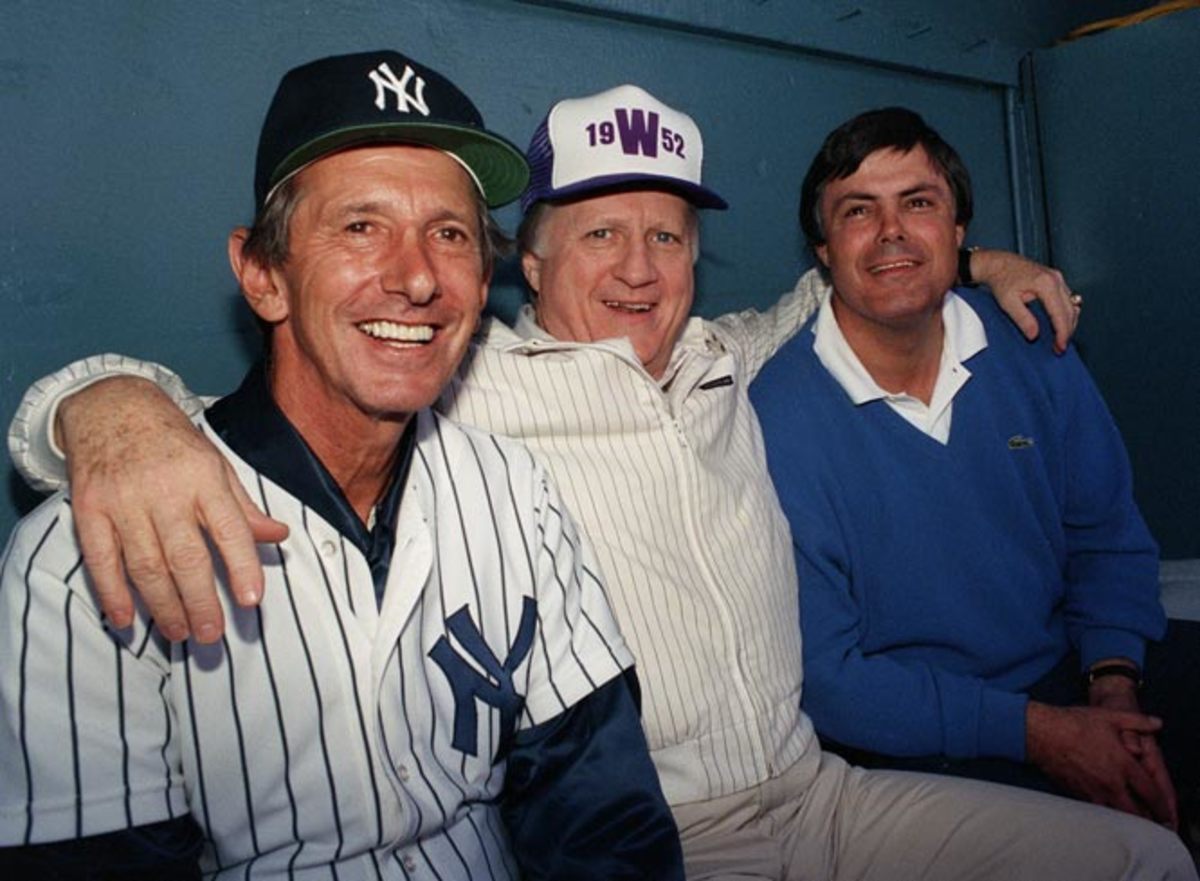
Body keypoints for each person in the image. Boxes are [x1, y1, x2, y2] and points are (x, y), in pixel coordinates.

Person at [9, 84, 1196, 879]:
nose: (639, 267)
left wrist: (976, 257)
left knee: (1146, 859)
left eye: (667, 235)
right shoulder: (467, 381)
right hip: (673, 836)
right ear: (526, 266)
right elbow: (290, 387)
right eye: (598, 234)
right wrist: (100, 405)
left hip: (825, 794)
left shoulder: (730, 354)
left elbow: (860, 273)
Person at [0, 51, 685, 880]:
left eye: (449, 233)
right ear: (263, 275)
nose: (417, 277)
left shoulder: (515, 488)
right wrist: (99, 401)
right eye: (361, 226)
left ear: (483, 280)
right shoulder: (82, 555)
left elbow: (599, 807)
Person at [752, 106, 1199, 851]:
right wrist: (1045, 735)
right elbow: (829, 677)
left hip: (1072, 672)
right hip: (921, 739)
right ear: (823, 249)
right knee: (1125, 851)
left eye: (918, 203)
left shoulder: (1032, 346)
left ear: (960, 231)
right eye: (858, 211)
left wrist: (1114, 685)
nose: (891, 231)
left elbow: (1107, 538)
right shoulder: (775, 414)